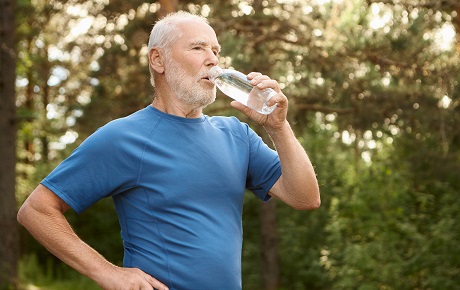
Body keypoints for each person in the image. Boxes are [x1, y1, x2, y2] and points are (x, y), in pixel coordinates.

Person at [17, 11, 320, 290]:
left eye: (216, 51)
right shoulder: (123, 137)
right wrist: (107, 272)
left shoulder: (236, 134)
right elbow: (36, 210)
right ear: (158, 60)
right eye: (198, 48)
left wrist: (278, 128)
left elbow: (305, 197)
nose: (213, 60)